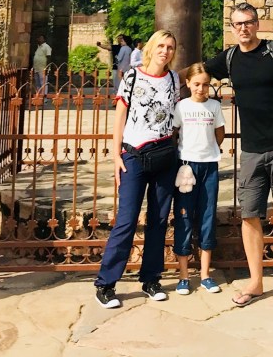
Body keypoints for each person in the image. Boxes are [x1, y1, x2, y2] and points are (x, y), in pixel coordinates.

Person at [202, 3, 273, 307]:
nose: (243, 28)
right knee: (249, 214)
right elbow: (198, 73)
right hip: (251, 148)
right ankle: (256, 281)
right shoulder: (230, 58)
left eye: (248, 23)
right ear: (231, 28)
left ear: (257, 24)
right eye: (237, 24)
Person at [94, 30, 179, 309]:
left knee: (158, 219)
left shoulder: (173, 79)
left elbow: (172, 118)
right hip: (133, 154)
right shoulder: (133, 76)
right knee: (127, 220)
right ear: (152, 48)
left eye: (170, 47)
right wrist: (117, 154)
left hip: (164, 155)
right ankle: (106, 283)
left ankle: (151, 278)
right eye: (161, 46)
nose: (165, 51)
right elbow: (120, 115)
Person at [172, 62, 225, 295]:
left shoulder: (214, 106)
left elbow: (219, 133)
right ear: (188, 84)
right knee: (183, 215)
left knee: (207, 216)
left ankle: (205, 274)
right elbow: (174, 133)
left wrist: (208, 150)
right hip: (186, 166)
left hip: (209, 165)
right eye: (196, 84)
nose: (201, 89)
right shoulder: (181, 107)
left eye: (205, 85)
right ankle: (184, 275)